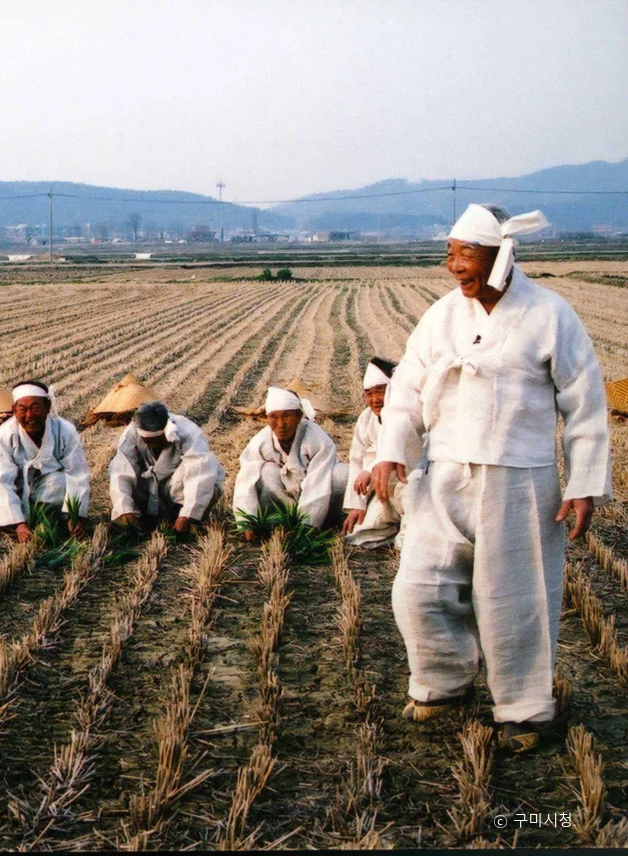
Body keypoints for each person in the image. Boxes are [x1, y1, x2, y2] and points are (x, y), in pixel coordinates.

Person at [372, 204, 612, 753]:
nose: (453, 265)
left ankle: (524, 711)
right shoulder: (442, 316)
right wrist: (391, 452)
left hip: (520, 479)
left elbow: (585, 406)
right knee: (419, 588)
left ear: (501, 255)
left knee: (516, 599)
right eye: (450, 253)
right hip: (444, 471)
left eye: (465, 254)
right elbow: (407, 387)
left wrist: (582, 486)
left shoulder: (550, 315)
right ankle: (443, 683)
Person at [0, 380, 91, 542]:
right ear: (14, 411)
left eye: (35, 408)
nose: (29, 416)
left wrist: (74, 516)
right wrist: (17, 523)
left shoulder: (65, 431)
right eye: (22, 409)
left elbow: (77, 475)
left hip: (41, 490)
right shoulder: (4, 435)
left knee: (61, 483)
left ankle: (44, 519)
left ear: (47, 408)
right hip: (7, 487)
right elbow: (1, 481)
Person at [233, 386, 347, 540]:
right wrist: (247, 521)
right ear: (267, 418)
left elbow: (318, 480)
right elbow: (245, 480)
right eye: (274, 416)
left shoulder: (317, 439)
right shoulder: (261, 442)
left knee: (341, 474)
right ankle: (281, 521)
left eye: (286, 416)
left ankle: (323, 521)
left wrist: (308, 524)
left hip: (321, 500)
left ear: (299, 416)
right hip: (285, 500)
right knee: (265, 471)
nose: (281, 424)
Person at [109, 401, 224, 533]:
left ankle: (180, 515)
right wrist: (124, 510)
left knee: (208, 471)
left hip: (179, 490)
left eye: (157, 441)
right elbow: (122, 472)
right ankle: (150, 515)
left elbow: (200, 475)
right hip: (149, 489)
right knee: (115, 466)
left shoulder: (187, 434)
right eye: (148, 442)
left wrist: (188, 515)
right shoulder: (131, 434)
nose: (153, 446)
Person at [342, 357, 404, 548]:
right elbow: (356, 459)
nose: (374, 400)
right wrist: (357, 505)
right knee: (361, 534)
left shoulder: (407, 414)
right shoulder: (366, 419)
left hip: (409, 487)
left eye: (380, 391)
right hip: (383, 490)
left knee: (409, 546)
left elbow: (402, 447)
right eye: (369, 394)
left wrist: (370, 470)